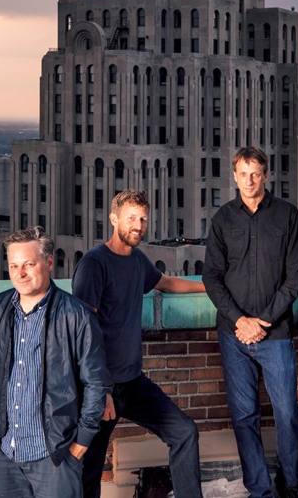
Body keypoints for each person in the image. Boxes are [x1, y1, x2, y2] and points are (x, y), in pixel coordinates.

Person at [71, 189, 206, 498]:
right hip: (99, 386)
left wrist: (209, 289)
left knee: (184, 432)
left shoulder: (136, 260)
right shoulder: (94, 264)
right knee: (89, 466)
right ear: (114, 219)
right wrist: (100, 390)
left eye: (143, 219)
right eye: (132, 217)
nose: (139, 225)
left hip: (132, 382)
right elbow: (82, 331)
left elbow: (167, 283)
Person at [0, 227, 112, 498]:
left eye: (28, 264)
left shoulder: (76, 315)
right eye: (14, 265)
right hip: (4, 452)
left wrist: (81, 441)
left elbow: (95, 382)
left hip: (54, 454)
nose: (20, 273)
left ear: (48, 263)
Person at [203, 146, 298, 498]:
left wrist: (261, 321)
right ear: (234, 176)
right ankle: (259, 490)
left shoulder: (287, 216)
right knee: (244, 416)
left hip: (275, 334)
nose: (249, 180)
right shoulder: (222, 219)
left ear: (265, 175)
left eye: (255, 173)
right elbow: (211, 277)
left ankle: (289, 484)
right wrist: (240, 320)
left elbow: (295, 279)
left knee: (287, 414)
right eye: (242, 173)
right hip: (233, 336)